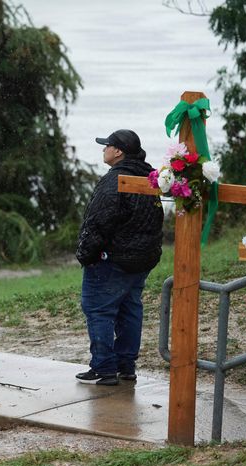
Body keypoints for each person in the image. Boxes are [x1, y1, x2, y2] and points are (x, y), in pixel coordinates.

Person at [74, 129, 164, 386]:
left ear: (118, 151)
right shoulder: (149, 178)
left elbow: (98, 222)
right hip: (141, 260)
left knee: (98, 310)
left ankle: (104, 368)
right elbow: (156, 220)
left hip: (111, 260)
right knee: (129, 309)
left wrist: (85, 253)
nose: (104, 149)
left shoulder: (115, 180)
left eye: (107, 146)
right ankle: (126, 366)